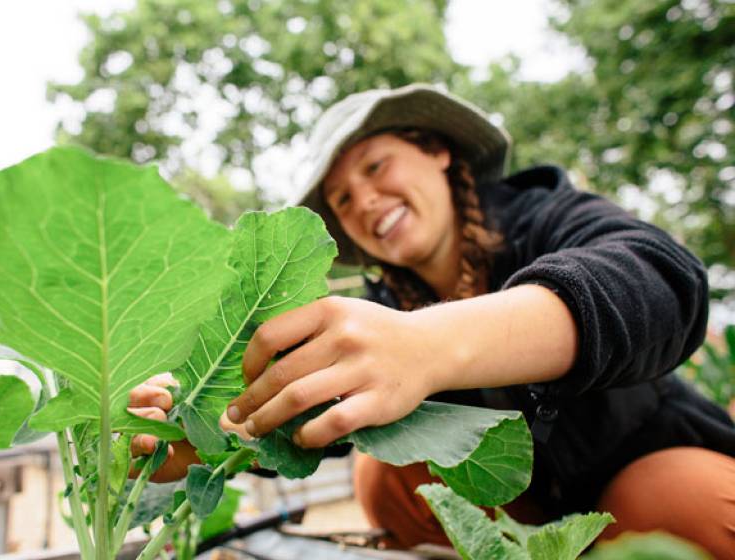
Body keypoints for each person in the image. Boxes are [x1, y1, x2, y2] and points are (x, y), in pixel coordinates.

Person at [129, 83, 735, 557]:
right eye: (341, 199)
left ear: (438, 151)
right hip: (520, 523)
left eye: (374, 167)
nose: (364, 201)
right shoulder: (380, 306)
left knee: (675, 502)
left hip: (642, 470)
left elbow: (663, 281)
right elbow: (312, 411)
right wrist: (204, 436)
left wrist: (429, 344)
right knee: (385, 480)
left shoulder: (540, 216)